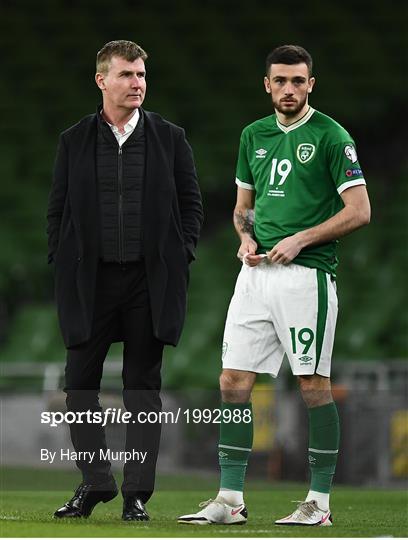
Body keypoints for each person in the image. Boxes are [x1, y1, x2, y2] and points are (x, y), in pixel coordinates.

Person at [178, 45, 370, 527]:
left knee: (311, 384)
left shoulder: (331, 135)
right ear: (267, 84)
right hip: (255, 275)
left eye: (298, 81)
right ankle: (229, 499)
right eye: (280, 81)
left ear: (311, 85)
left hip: (307, 277)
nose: (289, 89)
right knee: (233, 380)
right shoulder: (253, 135)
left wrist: (300, 239)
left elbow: (360, 211)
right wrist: (244, 237)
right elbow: (245, 206)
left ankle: (318, 504)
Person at [47, 40, 203, 521]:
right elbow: (58, 209)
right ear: (102, 81)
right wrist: (61, 257)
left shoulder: (170, 137)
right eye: (127, 75)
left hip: (146, 282)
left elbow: (190, 203)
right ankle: (96, 482)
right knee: (78, 385)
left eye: (141, 75)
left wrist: (182, 254)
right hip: (90, 283)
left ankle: (137, 493)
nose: (137, 83)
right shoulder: (73, 140)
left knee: (142, 389)